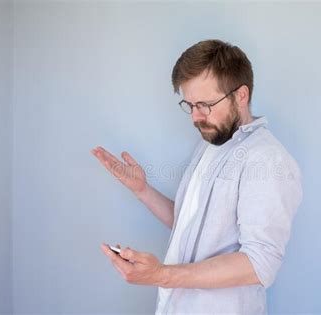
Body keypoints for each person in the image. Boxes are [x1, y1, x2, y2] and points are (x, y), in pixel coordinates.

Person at [91, 39, 303, 314]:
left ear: (241, 95)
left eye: (204, 104)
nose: (195, 117)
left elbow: (259, 263)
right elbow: (189, 225)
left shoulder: (267, 159)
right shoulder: (211, 144)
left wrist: (161, 275)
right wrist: (142, 190)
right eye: (189, 105)